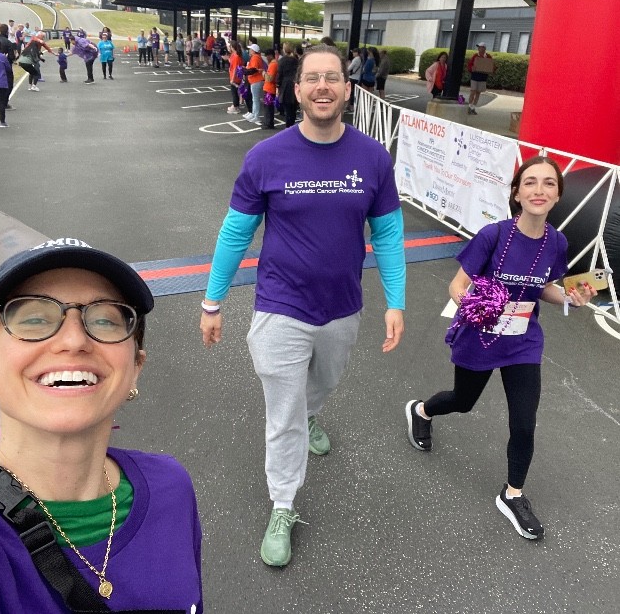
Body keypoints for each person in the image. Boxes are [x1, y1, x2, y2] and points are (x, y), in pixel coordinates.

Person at [201, 44, 406, 567]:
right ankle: (283, 504)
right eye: (312, 78)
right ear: (297, 90)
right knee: (283, 414)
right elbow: (235, 233)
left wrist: (396, 302)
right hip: (280, 307)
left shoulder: (372, 158)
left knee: (324, 381)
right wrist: (212, 300)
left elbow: (387, 234)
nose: (322, 87)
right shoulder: (266, 157)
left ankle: (312, 414)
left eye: (331, 78)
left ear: (347, 89)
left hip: (342, 306)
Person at [0, 238, 203, 612]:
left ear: (135, 367)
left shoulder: (172, 488)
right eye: (34, 319)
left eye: (104, 320)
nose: (74, 340)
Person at [405, 155, 596, 541]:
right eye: (530, 182)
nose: (539, 190)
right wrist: (475, 305)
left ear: (558, 195)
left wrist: (571, 300)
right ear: (517, 193)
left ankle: (513, 494)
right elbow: (457, 286)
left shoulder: (557, 242)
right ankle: (421, 410)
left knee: (524, 421)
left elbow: (545, 288)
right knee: (462, 401)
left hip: (524, 341)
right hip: (481, 335)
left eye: (548, 183)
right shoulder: (493, 235)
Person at [467, 42, 495, 115]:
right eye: (479, 47)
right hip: (474, 77)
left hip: (483, 78)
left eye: (481, 47)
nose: (479, 49)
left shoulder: (488, 57)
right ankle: (469, 106)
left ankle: (473, 107)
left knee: (478, 93)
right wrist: (471, 68)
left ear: (484, 48)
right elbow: (470, 65)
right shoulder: (475, 56)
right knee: (472, 92)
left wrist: (492, 69)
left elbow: (491, 66)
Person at [276, 42, 299, 127]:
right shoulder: (296, 60)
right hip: (295, 84)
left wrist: (277, 86)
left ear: (284, 50)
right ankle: (292, 124)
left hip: (285, 85)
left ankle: (288, 127)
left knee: (287, 109)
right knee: (293, 108)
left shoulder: (282, 60)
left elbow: (279, 75)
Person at [242, 43, 264, 123]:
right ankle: (254, 114)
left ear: (254, 51)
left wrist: (244, 71)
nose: (249, 50)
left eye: (250, 49)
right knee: (255, 99)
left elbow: (253, 70)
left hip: (256, 80)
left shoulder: (255, 57)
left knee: (255, 99)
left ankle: (256, 116)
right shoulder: (256, 57)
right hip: (255, 80)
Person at [261, 48, 278, 129]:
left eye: (266, 56)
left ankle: (268, 123)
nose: (266, 58)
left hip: (269, 89)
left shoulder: (273, 65)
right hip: (269, 89)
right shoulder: (273, 64)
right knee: (268, 106)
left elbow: (269, 79)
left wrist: (264, 73)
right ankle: (268, 122)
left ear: (270, 56)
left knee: (268, 107)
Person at [226, 39, 243, 114]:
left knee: (234, 92)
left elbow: (235, 68)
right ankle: (235, 105)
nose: (229, 48)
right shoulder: (234, 55)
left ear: (232, 47)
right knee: (234, 92)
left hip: (235, 77)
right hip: (234, 75)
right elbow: (231, 61)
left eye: (230, 46)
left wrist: (232, 79)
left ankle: (236, 107)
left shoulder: (236, 57)